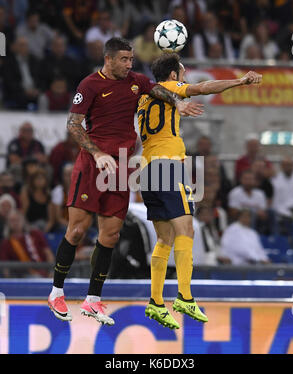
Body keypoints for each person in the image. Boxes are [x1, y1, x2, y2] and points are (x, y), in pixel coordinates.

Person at [47, 37, 204, 325]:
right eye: (124, 60)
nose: (129, 64)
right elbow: (73, 123)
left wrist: (178, 105)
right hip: (92, 164)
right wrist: (96, 153)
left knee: (111, 235)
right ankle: (57, 291)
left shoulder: (136, 81)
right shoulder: (89, 85)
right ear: (109, 59)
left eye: (131, 59)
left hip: (120, 167)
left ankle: (93, 300)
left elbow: (158, 90)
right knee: (77, 230)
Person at [137, 52, 262, 329]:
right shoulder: (170, 88)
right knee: (187, 230)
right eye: (182, 73)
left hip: (147, 170)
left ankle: (156, 302)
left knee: (164, 239)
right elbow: (203, 88)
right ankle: (184, 295)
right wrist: (240, 81)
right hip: (168, 167)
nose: (184, 78)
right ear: (172, 76)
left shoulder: (145, 98)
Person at [0, 210, 54, 277]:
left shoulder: (35, 234)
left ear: (23, 221)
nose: (16, 223)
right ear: (8, 223)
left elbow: (48, 253)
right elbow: (6, 267)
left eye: (18, 219)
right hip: (23, 276)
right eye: (12, 220)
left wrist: (51, 271)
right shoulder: (6, 243)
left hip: (44, 271)